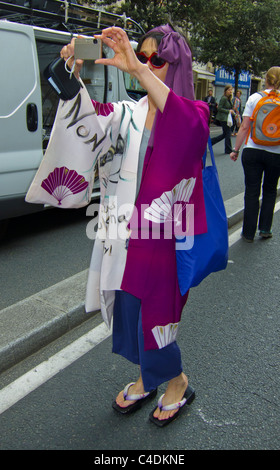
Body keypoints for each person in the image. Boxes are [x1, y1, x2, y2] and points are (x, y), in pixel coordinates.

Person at [58, 25, 209, 427]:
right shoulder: (129, 111)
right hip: (123, 233)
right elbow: (87, 122)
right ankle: (147, 377)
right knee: (128, 310)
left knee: (156, 316)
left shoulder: (195, 113)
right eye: (141, 57)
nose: (145, 64)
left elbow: (188, 133)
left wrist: (137, 71)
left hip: (166, 237)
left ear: (177, 65)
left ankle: (176, 382)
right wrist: (69, 70)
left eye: (156, 59)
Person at [230, 67, 280, 242]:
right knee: (270, 190)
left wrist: (235, 150)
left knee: (251, 191)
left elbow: (244, 127)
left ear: (266, 79)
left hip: (253, 150)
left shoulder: (254, 98)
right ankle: (265, 228)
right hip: (276, 153)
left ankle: (248, 233)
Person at [211, 84, 235, 154]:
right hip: (223, 118)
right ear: (226, 91)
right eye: (229, 90)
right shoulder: (224, 98)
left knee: (225, 134)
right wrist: (228, 111)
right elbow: (219, 108)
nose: (230, 91)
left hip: (227, 118)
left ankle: (212, 141)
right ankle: (228, 149)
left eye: (231, 90)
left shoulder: (229, 98)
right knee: (228, 133)